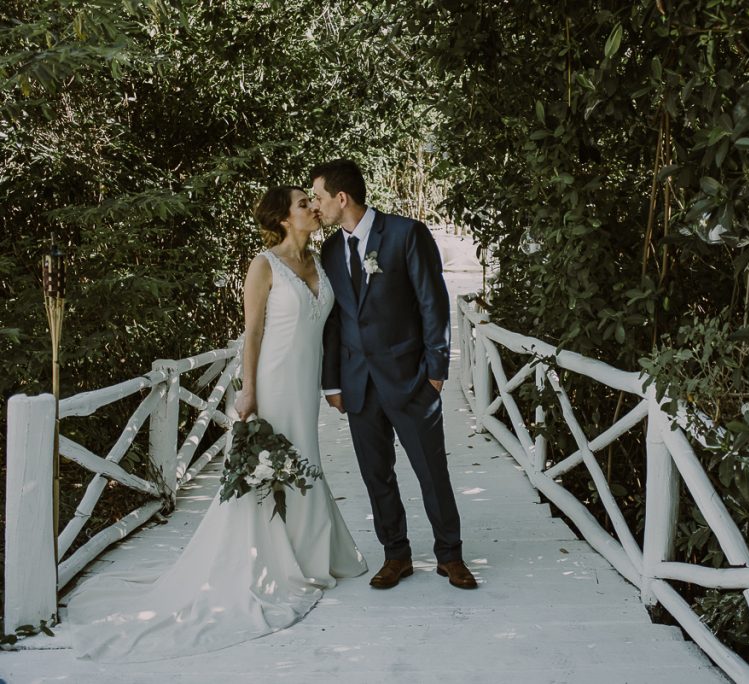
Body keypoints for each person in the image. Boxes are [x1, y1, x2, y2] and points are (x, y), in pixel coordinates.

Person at [67, 186, 367, 662]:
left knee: (303, 457)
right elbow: (252, 332)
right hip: (271, 379)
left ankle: (309, 553)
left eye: (312, 202)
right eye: (302, 204)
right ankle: (265, 559)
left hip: (305, 381)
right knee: (263, 466)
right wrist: (247, 389)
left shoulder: (322, 261)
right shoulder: (263, 264)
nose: (313, 207)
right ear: (284, 218)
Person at [311, 158, 476, 590]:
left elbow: (432, 303)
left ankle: (450, 555)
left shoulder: (405, 234)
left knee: (431, 470)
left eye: (319, 197)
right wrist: (332, 382)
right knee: (375, 473)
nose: (316, 206)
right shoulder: (329, 251)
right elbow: (333, 322)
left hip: (411, 378)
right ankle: (396, 555)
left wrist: (436, 372)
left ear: (341, 198)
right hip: (358, 384)